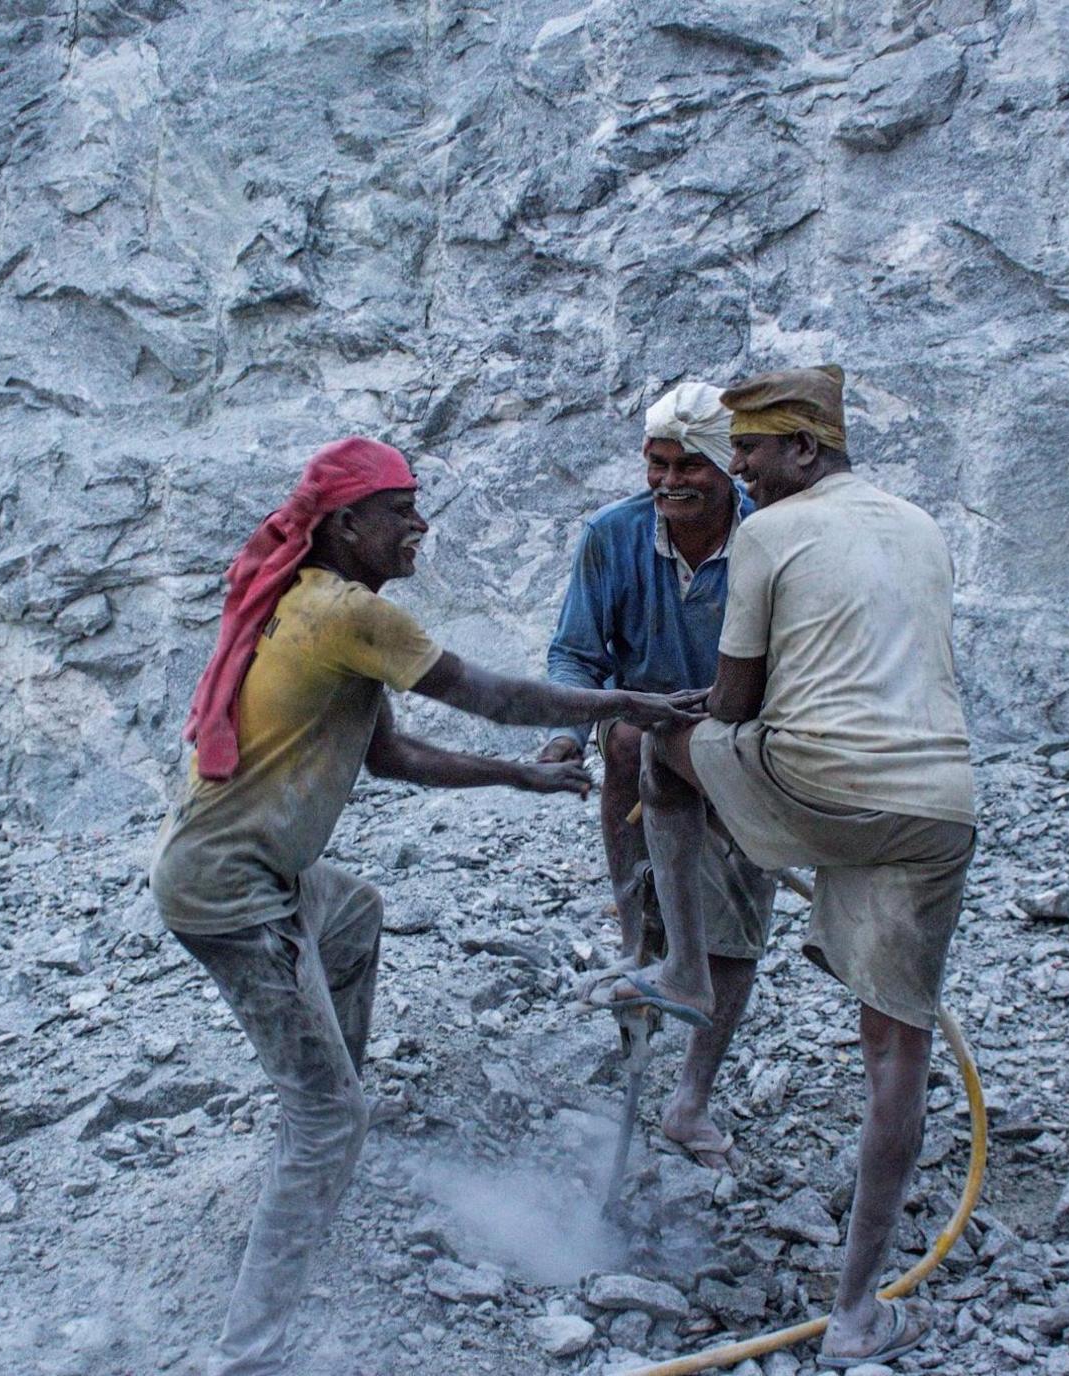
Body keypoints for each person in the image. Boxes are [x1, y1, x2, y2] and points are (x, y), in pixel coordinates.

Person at [150, 437, 705, 1376]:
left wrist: (517, 784)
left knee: (355, 915)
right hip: (232, 893)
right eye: (401, 511)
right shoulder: (348, 611)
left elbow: (390, 757)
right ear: (344, 526)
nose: (419, 526)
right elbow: (491, 694)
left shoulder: (317, 608)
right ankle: (251, 1351)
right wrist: (627, 704)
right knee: (325, 1117)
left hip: (240, 871)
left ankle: (327, 1121)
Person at [607, 367, 976, 1369]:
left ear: (804, 449)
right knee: (894, 1055)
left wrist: (671, 716)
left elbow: (729, 708)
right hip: (936, 808)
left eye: (753, 452)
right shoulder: (922, 527)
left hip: (814, 784)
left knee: (658, 750)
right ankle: (855, 1310)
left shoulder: (766, 534)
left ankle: (684, 963)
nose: (739, 471)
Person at [539, 381, 775, 1169]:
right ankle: (640, 1008)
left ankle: (690, 1100)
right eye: (656, 463)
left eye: (689, 466)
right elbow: (578, 651)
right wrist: (566, 733)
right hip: (639, 759)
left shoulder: (772, 540)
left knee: (734, 930)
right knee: (643, 925)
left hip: (742, 751)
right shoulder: (613, 536)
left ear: (727, 468)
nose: (670, 481)